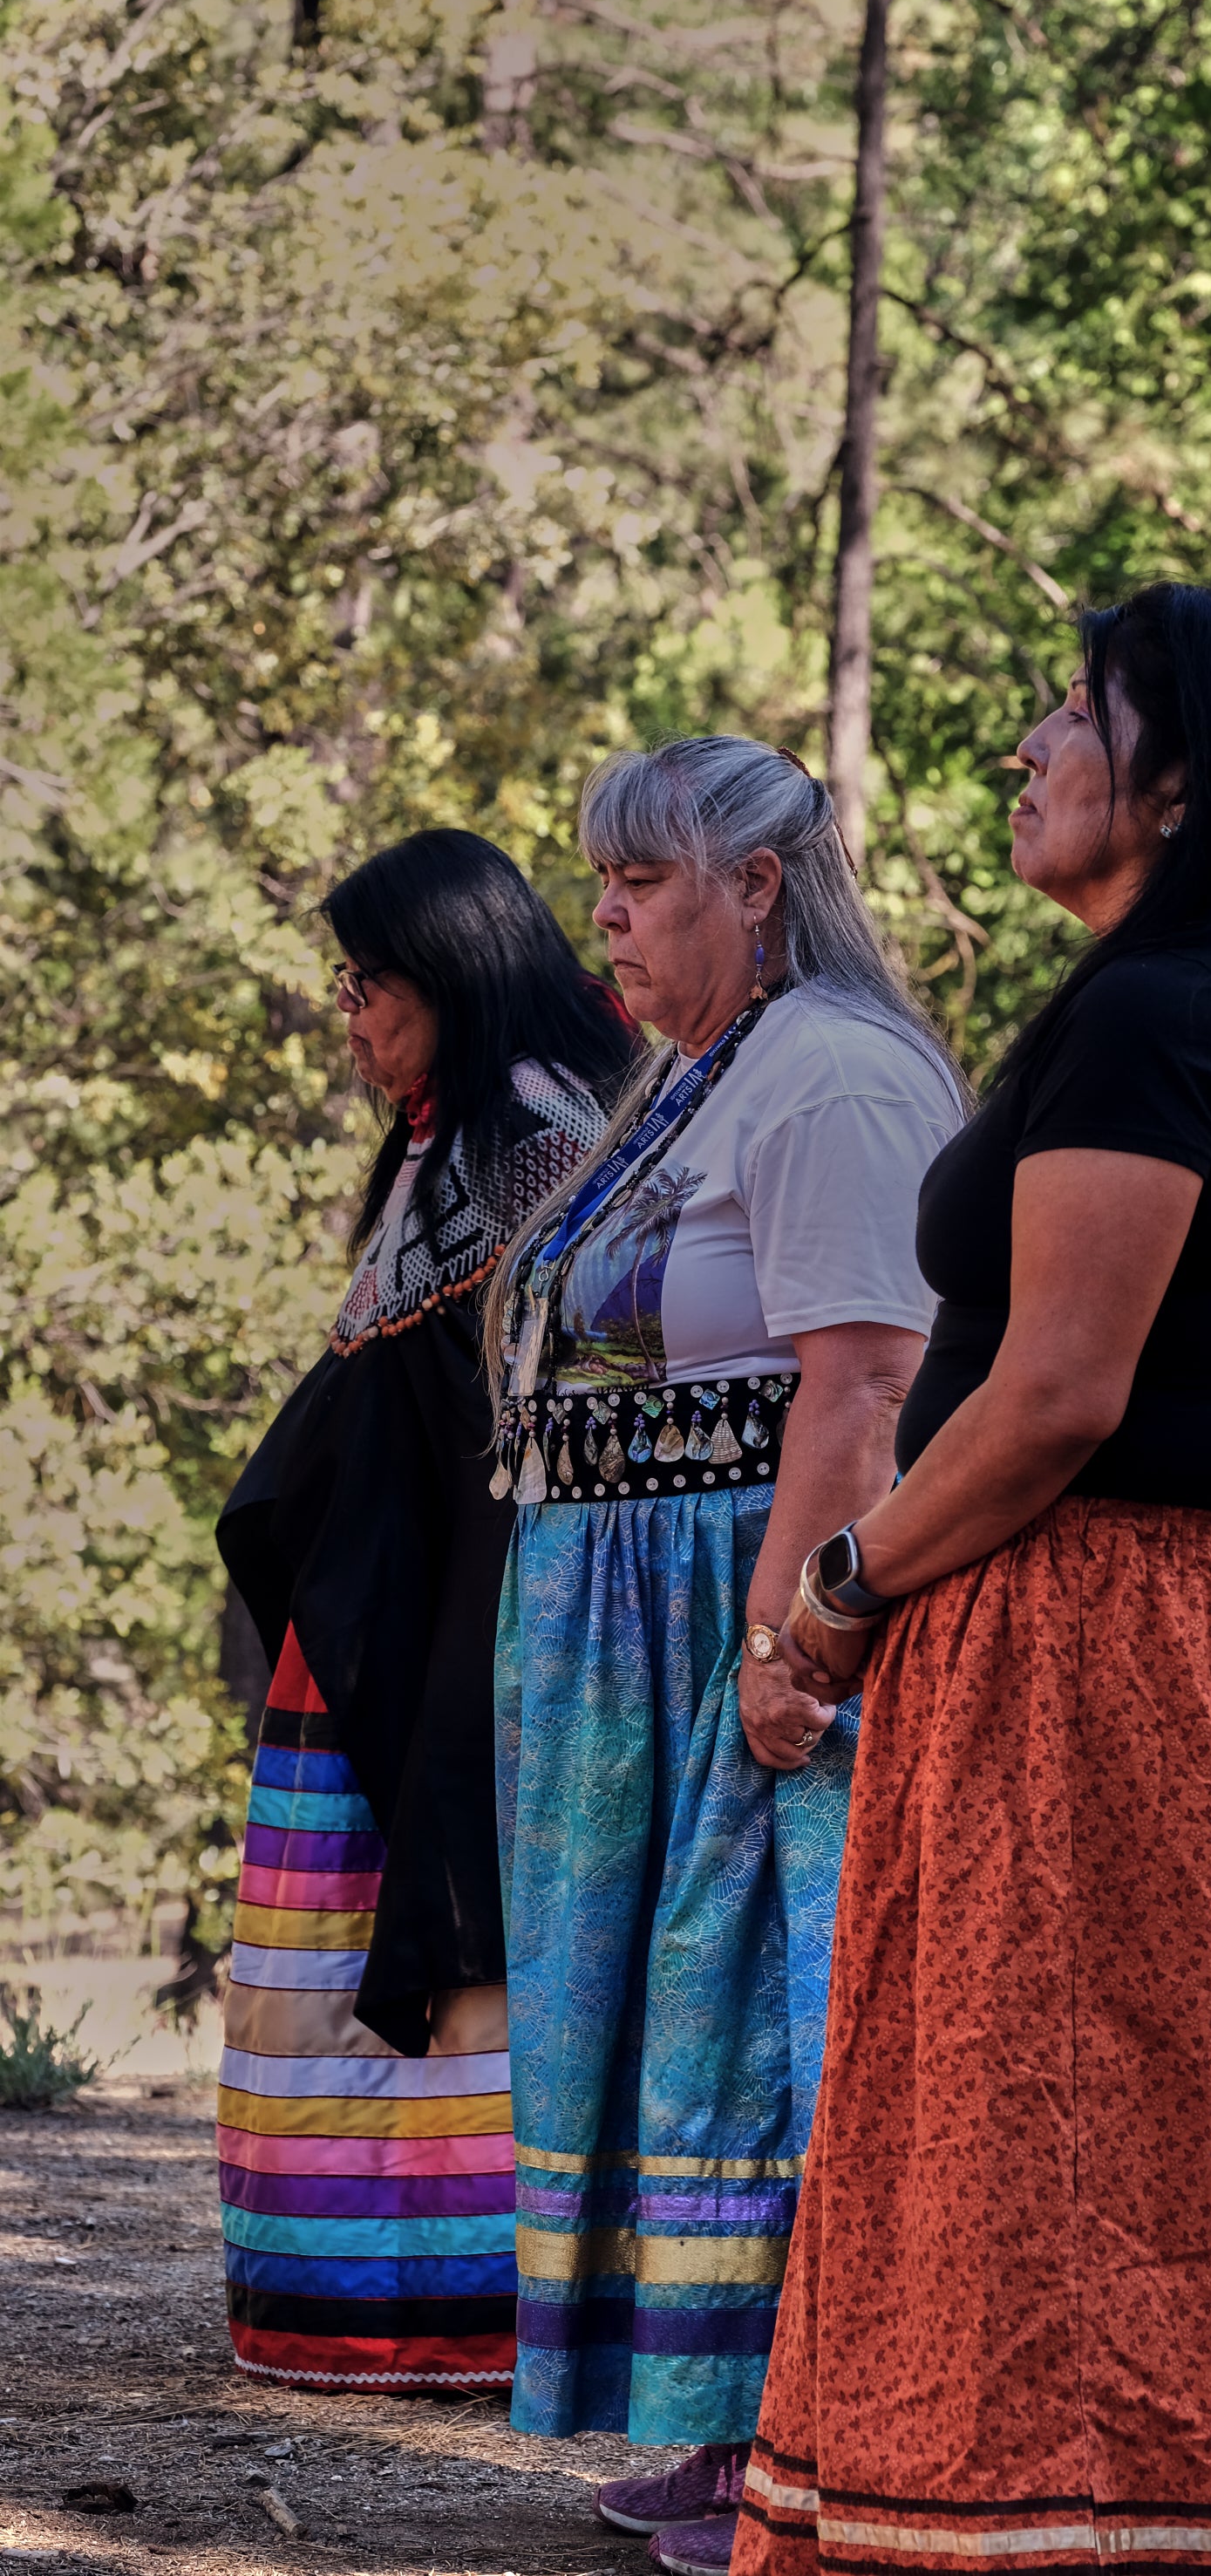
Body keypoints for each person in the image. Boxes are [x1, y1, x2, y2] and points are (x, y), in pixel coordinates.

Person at [736, 586, 1211, 2576]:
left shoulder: (1160, 1016)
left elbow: (1050, 1400)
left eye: (1067, 712)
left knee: (1030, 2141)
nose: (1021, 746)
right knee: (1151, 2125)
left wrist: (839, 1593)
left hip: (1093, 1633)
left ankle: (1004, 2529)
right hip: (1186, 1633)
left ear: (1174, 782)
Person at [486, 737, 964, 2569]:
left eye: (646, 880)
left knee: (757, 2003)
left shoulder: (831, 1075)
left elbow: (860, 1379)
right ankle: (714, 2416)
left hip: (736, 1603)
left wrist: (788, 1643)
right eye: (597, 879)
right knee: (670, 2019)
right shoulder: (704, 1076)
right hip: (626, 1622)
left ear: (756, 888)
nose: (603, 915)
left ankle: (812, 2435)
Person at [215, 827, 635, 2393]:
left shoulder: (530, 1132)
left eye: (368, 981)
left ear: (450, 979)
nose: (351, 1012)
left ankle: (452, 2309)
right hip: (378, 1621)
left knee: (465, 1932)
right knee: (340, 1931)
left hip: (466, 1619)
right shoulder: (438, 1134)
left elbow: (521, 1414)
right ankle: (350, 2299)